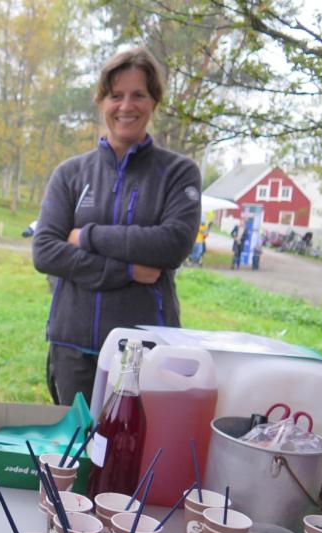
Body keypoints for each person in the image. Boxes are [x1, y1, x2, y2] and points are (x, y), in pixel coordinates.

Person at [32, 47, 201, 406]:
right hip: (73, 348)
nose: (126, 106)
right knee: (75, 452)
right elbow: (45, 251)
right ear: (101, 102)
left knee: (137, 453)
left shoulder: (178, 172)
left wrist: (87, 236)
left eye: (138, 94)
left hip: (146, 351)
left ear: (154, 100)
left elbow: (173, 244)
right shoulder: (71, 174)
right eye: (115, 96)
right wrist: (125, 269)